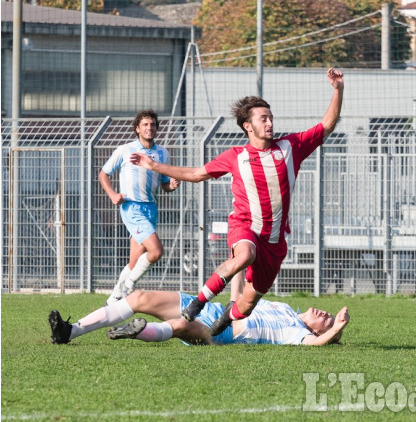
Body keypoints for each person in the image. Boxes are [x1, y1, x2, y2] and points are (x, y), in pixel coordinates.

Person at [129, 68, 344, 336]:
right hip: (245, 227)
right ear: (248, 126)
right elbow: (196, 174)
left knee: (248, 303)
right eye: (263, 118)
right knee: (245, 254)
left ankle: (227, 319)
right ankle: (199, 302)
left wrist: (337, 90)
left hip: (275, 242)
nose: (270, 123)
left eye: (271, 117)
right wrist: (153, 165)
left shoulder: (291, 146)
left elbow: (327, 125)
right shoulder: (236, 156)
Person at [48, 274, 350, 346]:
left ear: (317, 329)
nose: (324, 313)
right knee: (139, 296)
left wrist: (336, 330)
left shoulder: (296, 332)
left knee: (181, 327)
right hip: (208, 308)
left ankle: (137, 332)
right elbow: (241, 298)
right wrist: (239, 264)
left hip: (223, 332)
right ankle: (69, 331)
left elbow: (314, 344)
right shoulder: (284, 307)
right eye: (327, 314)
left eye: (325, 320)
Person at [99, 109, 181, 306]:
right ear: (137, 128)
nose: (149, 128)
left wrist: (171, 185)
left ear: (156, 128)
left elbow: (164, 184)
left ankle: (113, 301)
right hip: (132, 207)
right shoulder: (125, 150)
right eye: (145, 124)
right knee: (156, 252)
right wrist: (112, 195)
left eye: (152, 124)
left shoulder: (162, 153)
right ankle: (128, 287)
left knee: (134, 262)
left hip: (151, 208)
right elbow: (103, 173)